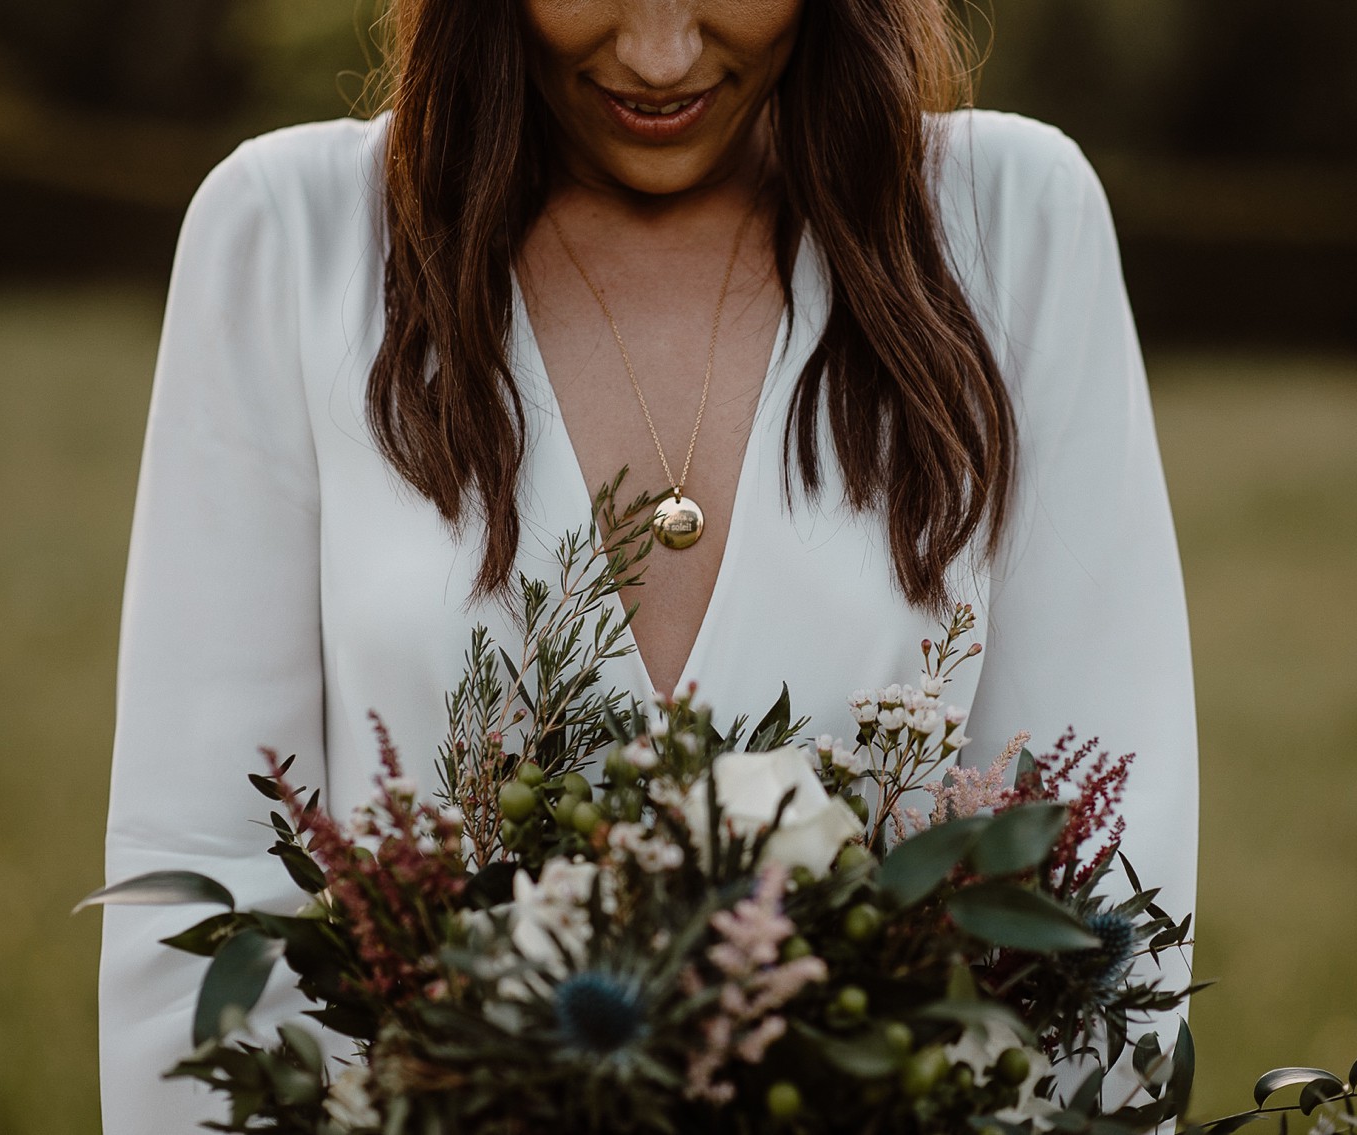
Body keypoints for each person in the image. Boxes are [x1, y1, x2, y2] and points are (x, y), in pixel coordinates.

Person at [98, 0, 1199, 1129]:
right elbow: (209, 868)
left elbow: (1094, 874)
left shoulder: (1010, 225)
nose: (660, 55)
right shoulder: (288, 237)